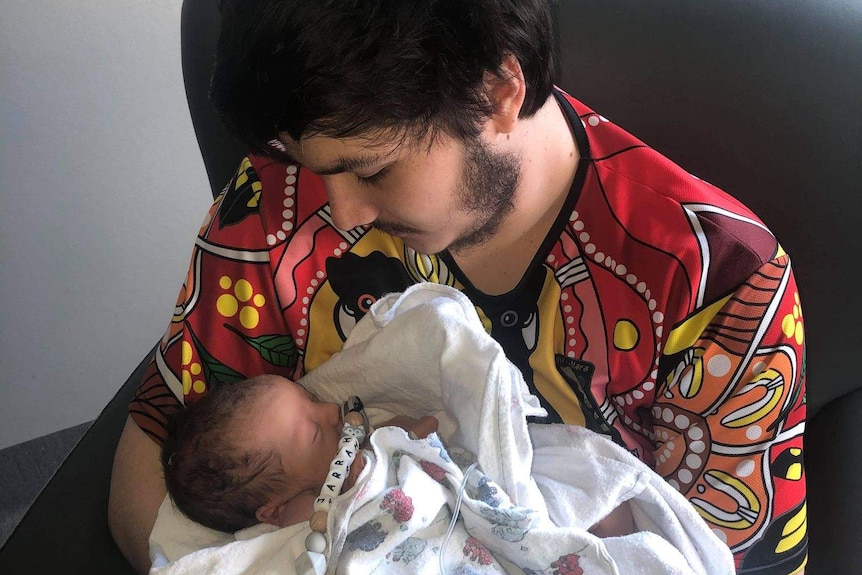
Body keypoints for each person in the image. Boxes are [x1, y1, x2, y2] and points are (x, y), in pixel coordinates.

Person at [108, 1, 807, 574]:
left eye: (373, 170)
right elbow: (154, 450)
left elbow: (722, 550)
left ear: (499, 93)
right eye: (312, 166)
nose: (339, 212)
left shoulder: (718, 281)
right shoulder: (278, 192)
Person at [160, 374, 437, 533]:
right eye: (313, 433)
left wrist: (399, 434)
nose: (330, 409)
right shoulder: (299, 522)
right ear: (277, 511)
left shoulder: (368, 446)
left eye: (312, 399)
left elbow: (428, 428)